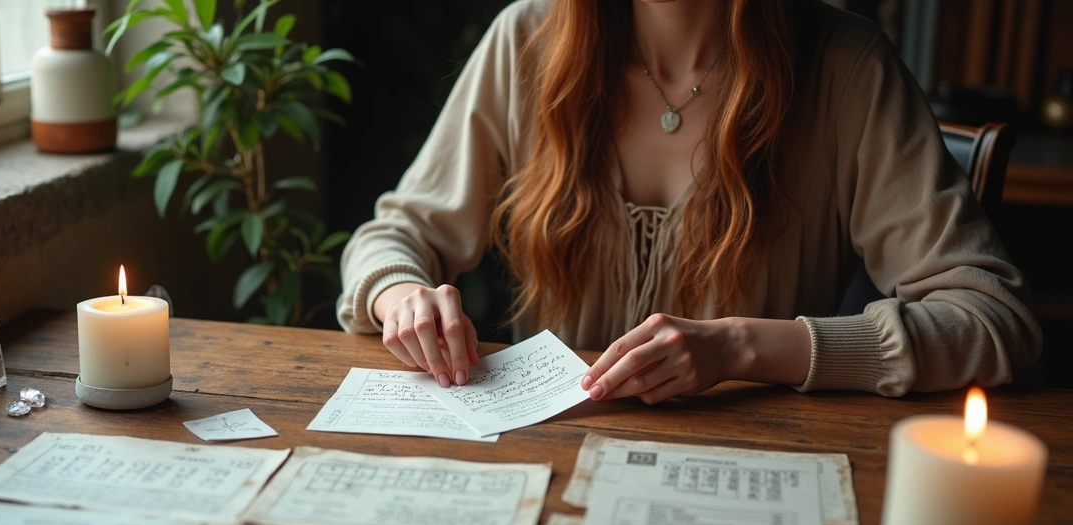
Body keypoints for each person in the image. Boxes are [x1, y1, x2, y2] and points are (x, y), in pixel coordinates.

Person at [336, 0, 1043, 402]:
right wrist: (401, 294)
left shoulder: (845, 67)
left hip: (760, 476)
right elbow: (396, 233)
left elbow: (990, 320)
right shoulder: (527, 39)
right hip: (542, 457)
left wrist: (744, 346)